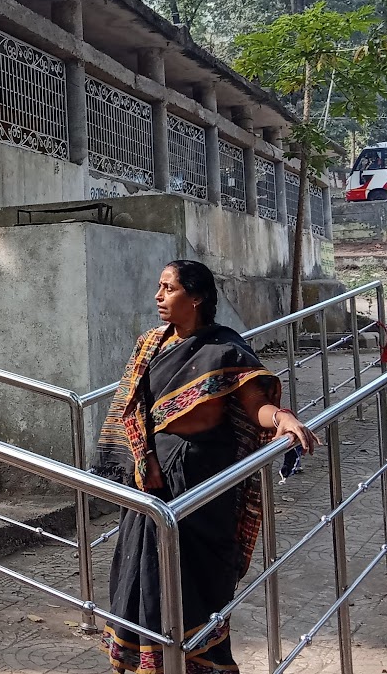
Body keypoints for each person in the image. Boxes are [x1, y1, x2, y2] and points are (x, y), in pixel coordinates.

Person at [94, 260, 318, 674]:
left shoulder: (225, 350)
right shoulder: (150, 345)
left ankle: (200, 664)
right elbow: (131, 409)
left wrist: (283, 418)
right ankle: (147, 663)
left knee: (194, 583)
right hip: (151, 478)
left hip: (199, 483)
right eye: (159, 287)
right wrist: (141, 461)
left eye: (168, 289)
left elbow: (257, 407)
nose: (158, 297)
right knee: (140, 575)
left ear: (196, 297)